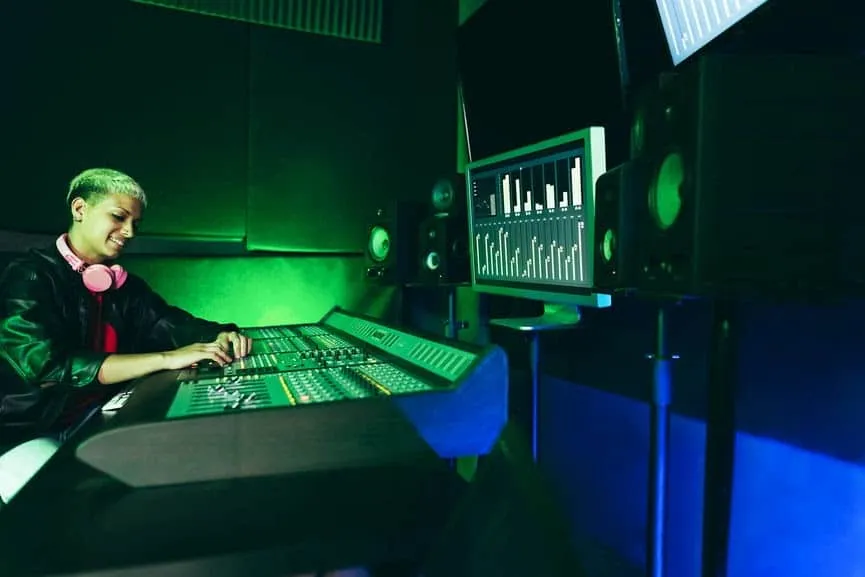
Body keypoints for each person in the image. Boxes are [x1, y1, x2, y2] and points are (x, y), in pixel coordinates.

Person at [0, 167, 252, 453]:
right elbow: (48, 367)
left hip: (95, 418)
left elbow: (168, 323)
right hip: (28, 432)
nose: (130, 232)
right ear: (80, 209)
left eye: (135, 223)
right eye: (119, 217)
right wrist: (167, 359)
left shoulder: (123, 286)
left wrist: (220, 335)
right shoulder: (28, 277)